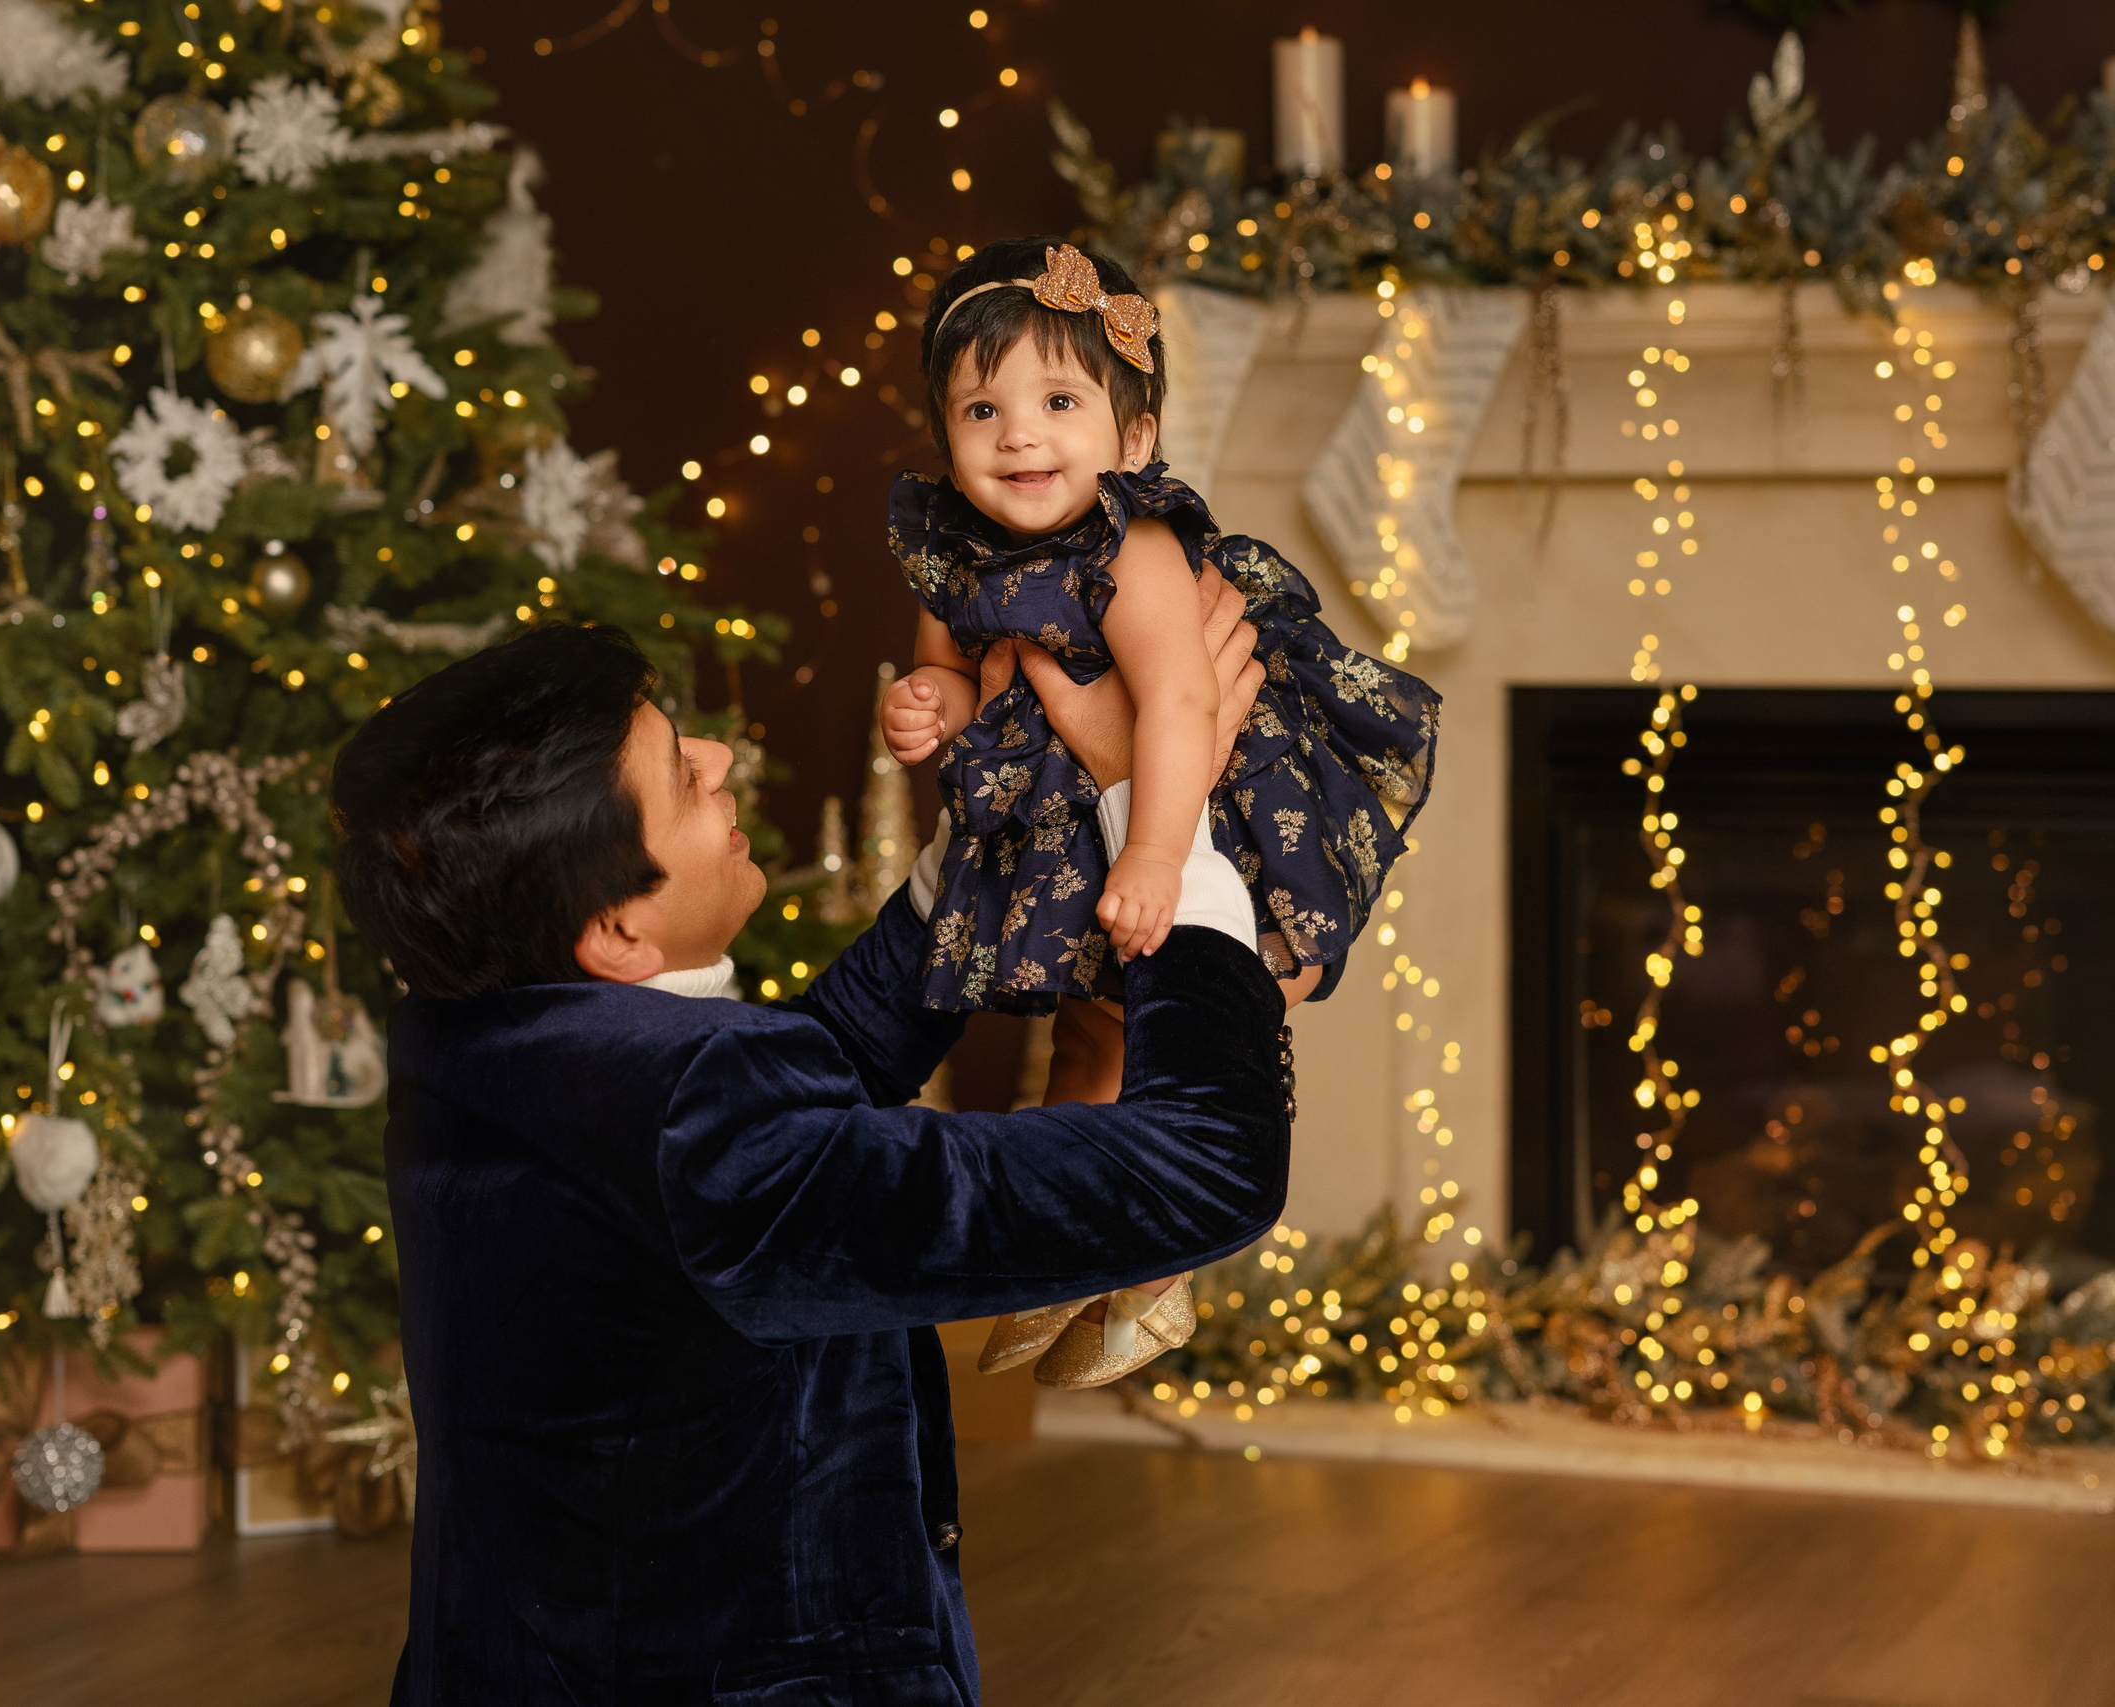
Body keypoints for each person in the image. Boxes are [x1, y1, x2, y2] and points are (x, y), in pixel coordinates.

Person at [332, 607, 1285, 1707]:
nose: (720, 758)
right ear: (618, 934)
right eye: (682, 781)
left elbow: (796, 1099)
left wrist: (973, 844)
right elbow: (1206, 1163)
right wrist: (1167, 823)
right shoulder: (697, 1121)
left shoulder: (484, 1038)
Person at [877, 235, 1443, 1387]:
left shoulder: (1128, 547)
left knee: (1152, 1038)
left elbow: (1185, 700)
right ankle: (1062, 1252)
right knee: (1080, 1038)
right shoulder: (949, 549)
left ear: (1133, 439)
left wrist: (1153, 849)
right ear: (944, 433)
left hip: (1192, 809)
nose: (1019, 433)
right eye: (981, 409)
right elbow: (941, 664)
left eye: (1057, 400)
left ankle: (1151, 1268)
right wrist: (925, 703)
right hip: (1059, 831)